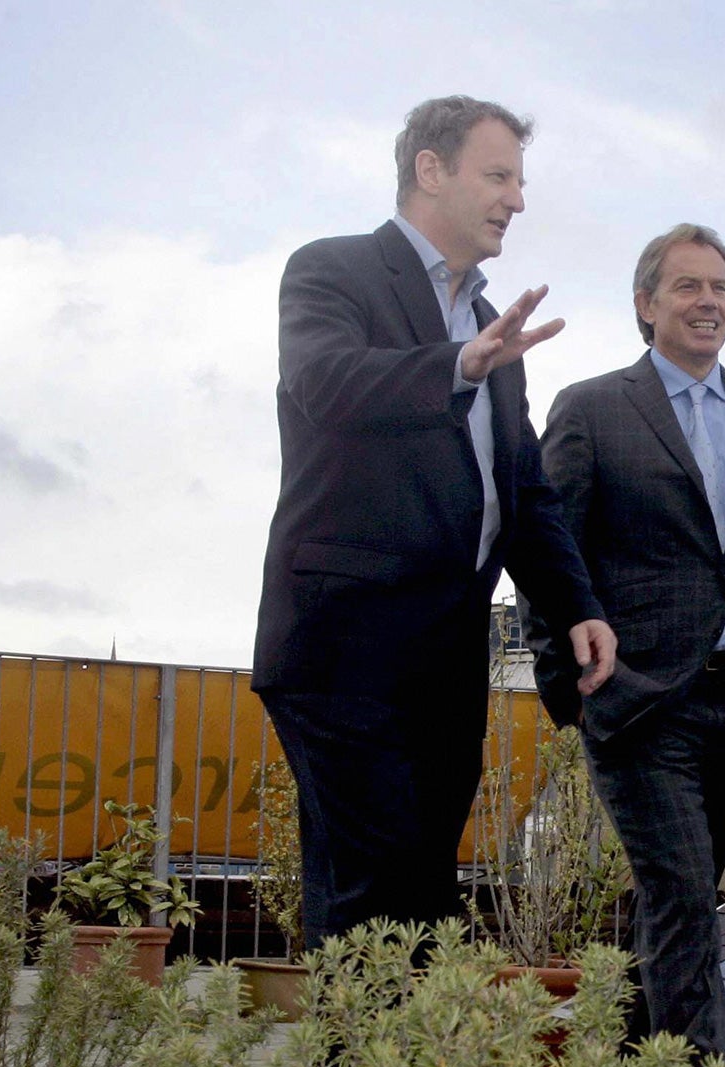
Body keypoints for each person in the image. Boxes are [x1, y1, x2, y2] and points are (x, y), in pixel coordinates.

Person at [251, 96, 617, 948]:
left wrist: (577, 605)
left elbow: (520, 488)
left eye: (519, 181)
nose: (517, 200)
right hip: (344, 647)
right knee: (368, 897)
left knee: (419, 901)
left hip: (446, 657)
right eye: (498, 175)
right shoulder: (332, 272)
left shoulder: (494, 329)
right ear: (430, 171)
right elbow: (330, 383)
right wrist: (457, 363)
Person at [526, 224, 725, 1062]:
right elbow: (549, 551)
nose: (709, 303)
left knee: (677, 900)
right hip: (639, 703)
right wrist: (572, 683)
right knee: (686, 896)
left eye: (721, 287)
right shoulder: (591, 409)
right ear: (645, 303)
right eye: (688, 287)